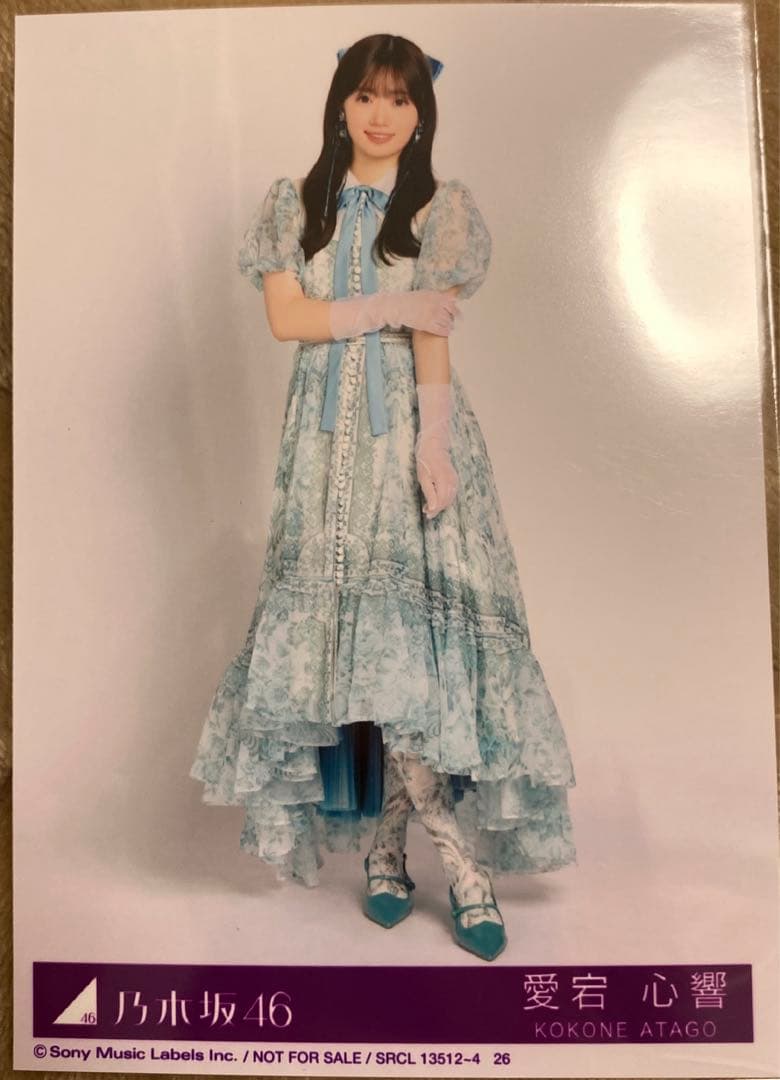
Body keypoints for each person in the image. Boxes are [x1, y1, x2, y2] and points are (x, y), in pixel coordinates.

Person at [190, 32, 577, 962]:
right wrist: (389, 309)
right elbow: (287, 318)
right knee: (355, 654)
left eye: (400, 99)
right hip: (323, 456)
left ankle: (425, 858)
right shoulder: (295, 204)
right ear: (340, 102)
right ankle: (404, 855)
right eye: (366, 95)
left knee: (409, 661)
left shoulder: (440, 209)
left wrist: (433, 444)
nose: (381, 114)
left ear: (421, 114)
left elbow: (434, 337)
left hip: (404, 437)